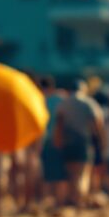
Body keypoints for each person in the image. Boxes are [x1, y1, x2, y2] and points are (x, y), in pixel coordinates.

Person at [51, 79, 104, 209]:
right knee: (82, 174)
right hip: (83, 142)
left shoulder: (63, 104)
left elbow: (59, 125)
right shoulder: (88, 103)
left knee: (72, 174)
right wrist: (101, 142)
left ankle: (74, 199)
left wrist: (57, 141)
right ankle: (79, 200)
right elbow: (97, 124)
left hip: (67, 142)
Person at [38, 76, 68, 206]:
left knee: (47, 174)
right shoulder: (61, 99)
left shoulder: (39, 100)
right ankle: (60, 201)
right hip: (62, 140)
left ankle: (47, 200)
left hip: (45, 140)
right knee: (61, 174)